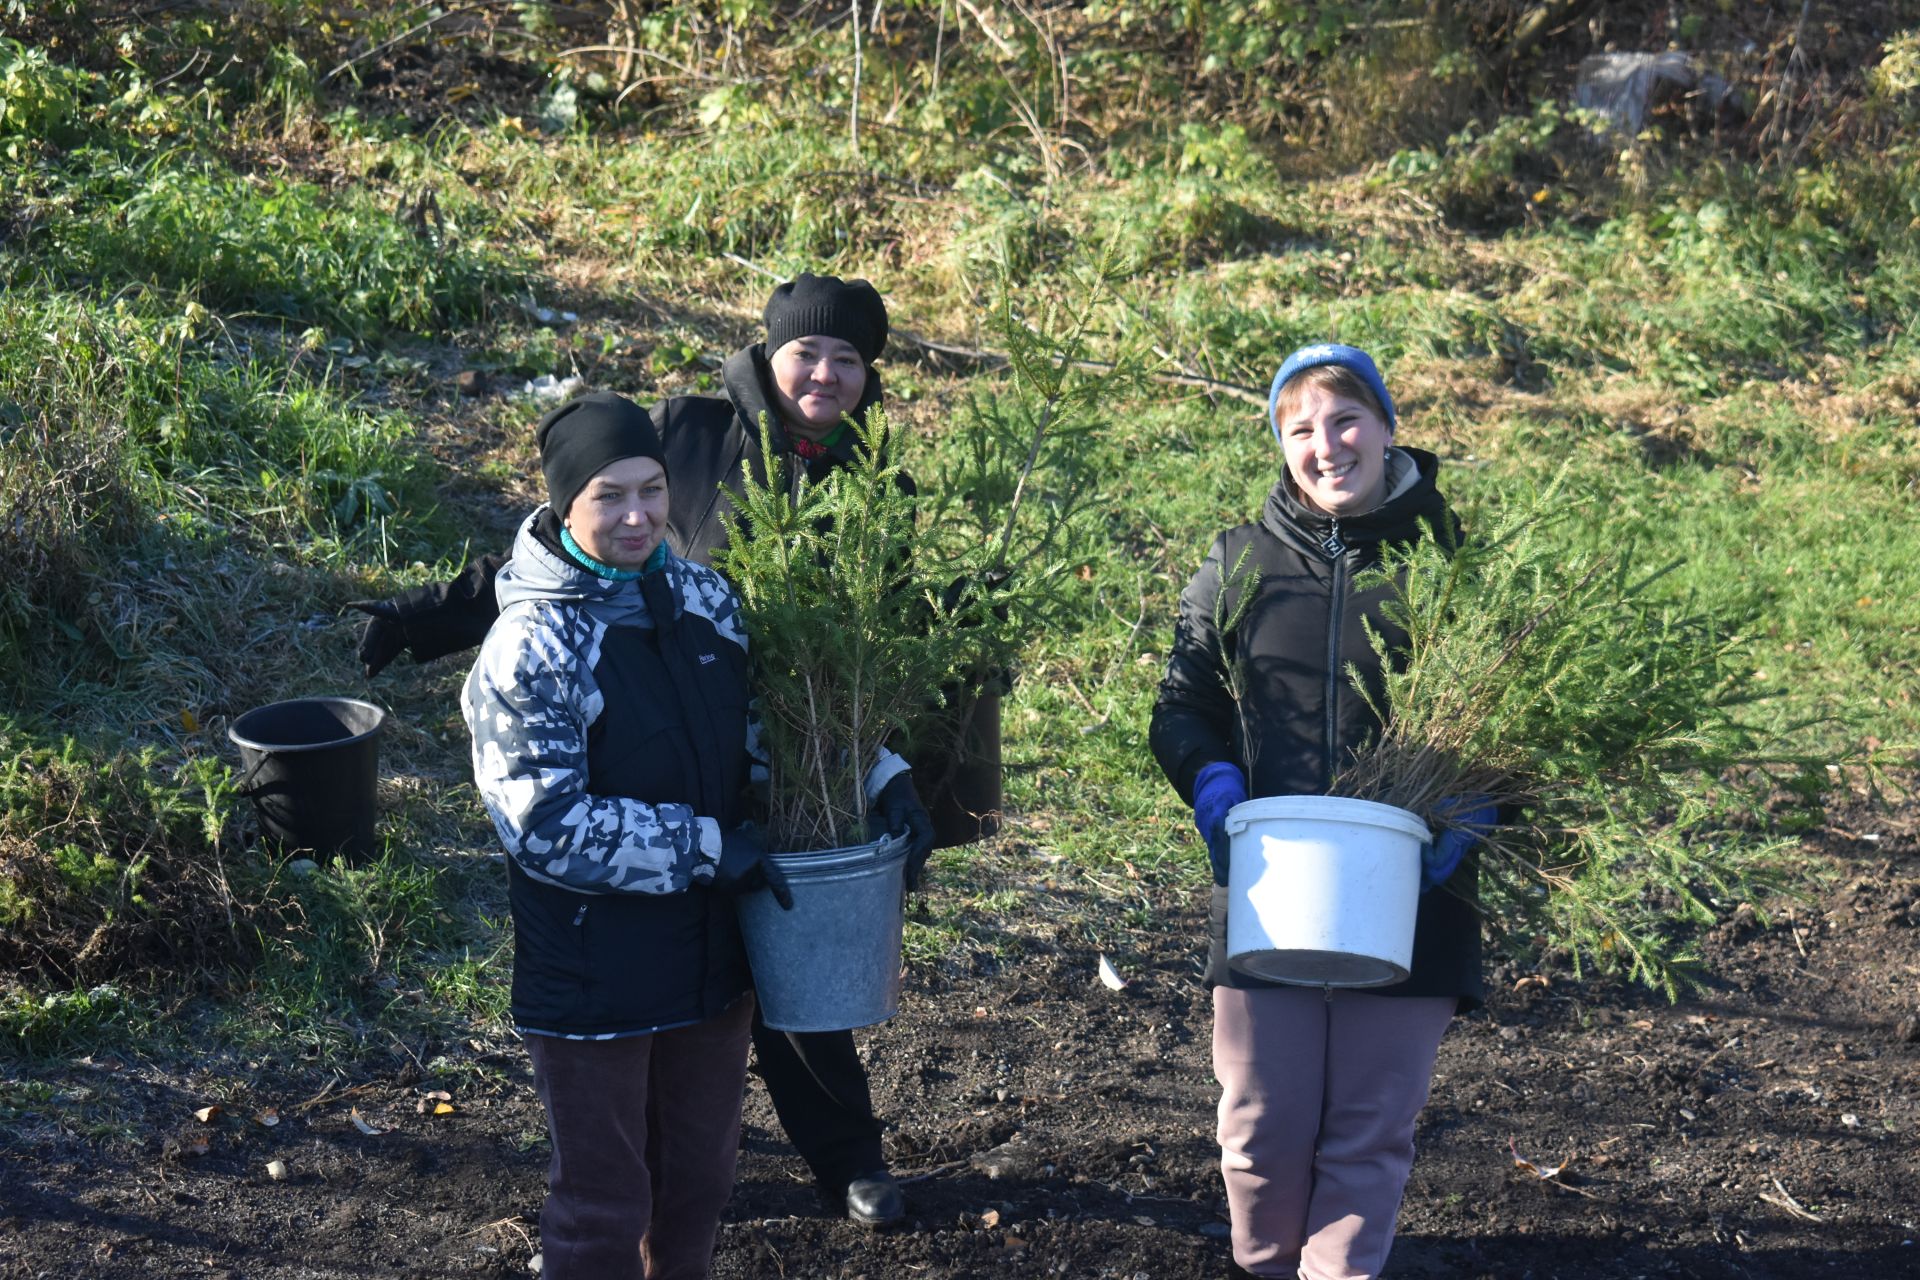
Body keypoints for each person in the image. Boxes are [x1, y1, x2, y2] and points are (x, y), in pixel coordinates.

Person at [368, 273, 935, 1226]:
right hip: (647, 816)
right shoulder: (688, 433)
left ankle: (843, 1161)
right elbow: (567, 545)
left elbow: (883, 653)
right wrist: (429, 615)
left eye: (848, 358)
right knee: (621, 1144)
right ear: (769, 352)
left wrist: (884, 772)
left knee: (791, 994)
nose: (825, 373)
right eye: (808, 352)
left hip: (767, 770)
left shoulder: (880, 483)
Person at [1149, 344, 1485, 1280]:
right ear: (1280, 444)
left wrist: (1474, 810)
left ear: (1385, 427)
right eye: (1301, 429)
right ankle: (1262, 1269)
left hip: (1418, 890)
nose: (1326, 445)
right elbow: (1183, 705)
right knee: (1260, 1120)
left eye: (1345, 421)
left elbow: (1521, 727)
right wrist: (1212, 782)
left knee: (1370, 1130)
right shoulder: (1237, 561)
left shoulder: (1451, 563)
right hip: (1270, 883)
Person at [462, 391, 795, 1279]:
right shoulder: (533, 643)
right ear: (565, 503)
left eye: (652, 489)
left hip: (710, 963)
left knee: (699, 1180)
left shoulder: (704, 600)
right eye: (610, 495)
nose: (640, 515)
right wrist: (707, 849)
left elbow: (765, 731)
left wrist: (876, 783)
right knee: (604, 1201)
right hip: (593, 973)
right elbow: (542, 825)